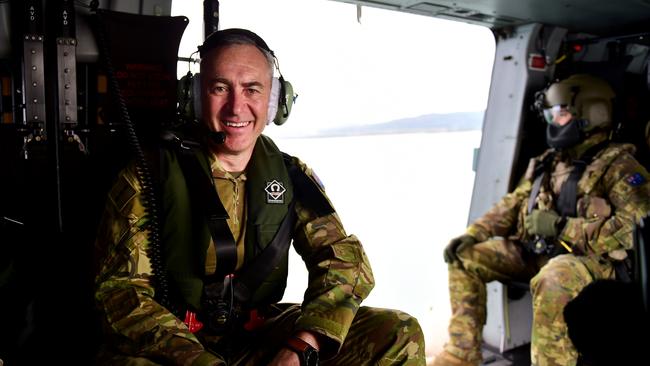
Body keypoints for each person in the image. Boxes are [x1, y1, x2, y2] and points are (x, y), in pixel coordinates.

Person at [93, 28, 425, 366]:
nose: (237, 108)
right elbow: (122, 291)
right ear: (194, 96)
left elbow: (345, 262)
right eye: (220, 88)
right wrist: (198, 360)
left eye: (252, 89)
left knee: (398, 332)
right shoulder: (149, 176)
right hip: (175, 345)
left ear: (274, 102)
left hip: (258, 334)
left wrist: (302, 344)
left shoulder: (290, 175)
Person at [432, 74, 650, 366]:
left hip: (593, 263)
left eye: (560, 114)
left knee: (554, 277)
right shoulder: (548, 161)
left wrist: (562, 227)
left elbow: (633, 230)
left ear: (590, 114)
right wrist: (474, 233)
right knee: (464, 256)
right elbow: (512, 204)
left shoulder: (620, 166)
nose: (553, 122)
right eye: (550, 114)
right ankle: (462, 353)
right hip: (540, 253)